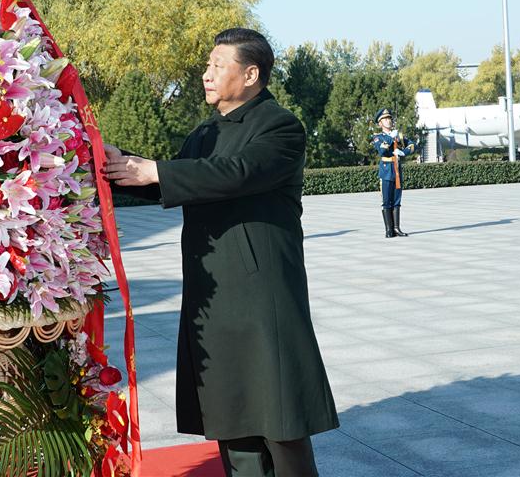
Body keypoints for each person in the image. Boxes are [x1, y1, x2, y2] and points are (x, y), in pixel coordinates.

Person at [103, 28, 338, 477]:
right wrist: (117, 163)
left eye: (217, 65)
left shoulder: (280, 126)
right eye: (207, 66)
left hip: (261, 291)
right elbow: (177, 178)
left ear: (251, 74)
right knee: (232, 412)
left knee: (279, 416)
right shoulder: (206, 131)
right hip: (213, 293)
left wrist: (156, 170)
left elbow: (237, 172)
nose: (206, 75)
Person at [371, 109, 418, 238]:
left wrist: (404, 152)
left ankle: (396, 228)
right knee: (387, 201)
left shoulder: (399, 135)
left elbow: (413, 145)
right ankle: (388, 230)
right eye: (385, 119)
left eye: (390, 118)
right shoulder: (378, 137)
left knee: (397, 201)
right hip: (386, 172)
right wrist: (391, 138)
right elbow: (382, 151)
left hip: (397, 171)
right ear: (380, 123)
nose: (389, 121)